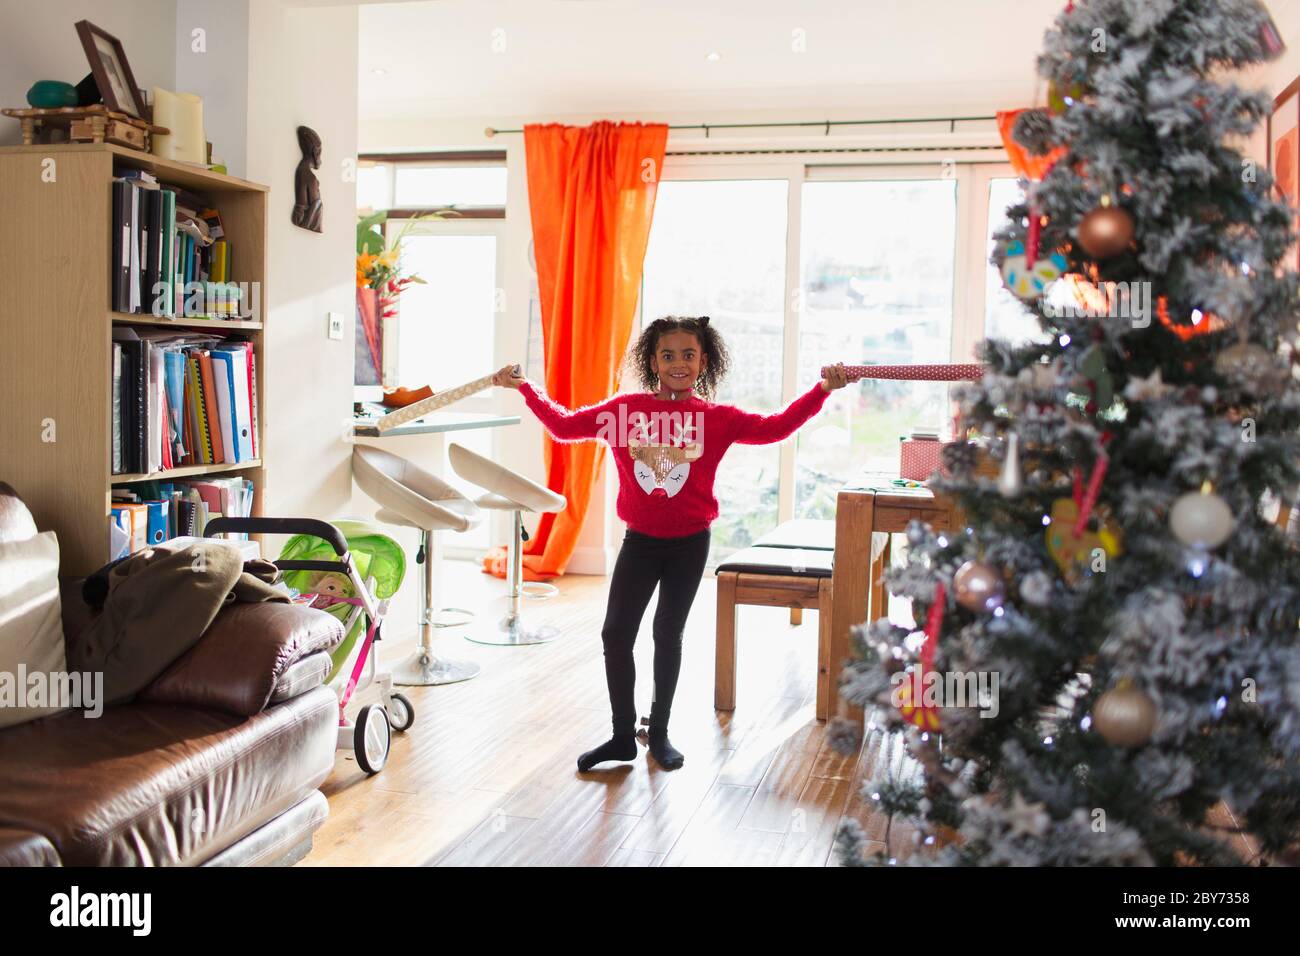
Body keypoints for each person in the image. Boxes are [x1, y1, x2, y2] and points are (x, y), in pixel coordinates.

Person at [493, 315, 849, 772]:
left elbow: (775, 427)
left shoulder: (716, 419)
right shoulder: (624, 413)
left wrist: (822, 391)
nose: (678, 363)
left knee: (667, 633)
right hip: (639, 543)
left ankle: (658, 732)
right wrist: (526, 387)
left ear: (704, 361)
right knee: (615, 634)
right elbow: (562, 426)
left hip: (688, 545)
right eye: (667, 355)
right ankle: (623, 737)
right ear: (653, 360)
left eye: (688, 355)